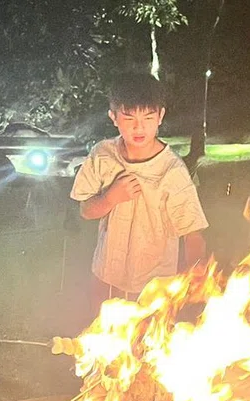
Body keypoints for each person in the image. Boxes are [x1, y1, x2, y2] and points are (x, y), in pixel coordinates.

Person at [71, 73, 209, 314]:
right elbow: (86, 210)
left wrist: (195, 274)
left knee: (147, 345)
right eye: (129, 116)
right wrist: (111, 197)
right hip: (106, 275)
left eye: (148, 117)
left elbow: (192, 233)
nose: (139, 126)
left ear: (160, 116)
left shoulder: (171, 170)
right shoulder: (103, 155)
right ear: (113, 117)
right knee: (104, 340)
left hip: (153, 284)